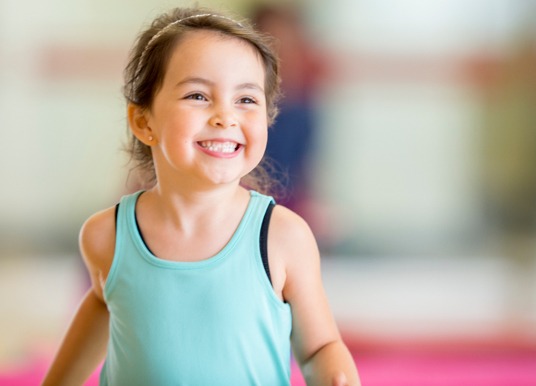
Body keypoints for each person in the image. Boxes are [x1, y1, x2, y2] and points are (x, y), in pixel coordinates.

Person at [42, 7, 360, 386]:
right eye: (198, 95)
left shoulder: (283, 238)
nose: (225, 116)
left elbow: (319, 346)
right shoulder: (106, 236)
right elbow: (104, 305)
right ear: (144, 122)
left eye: (246, 100)